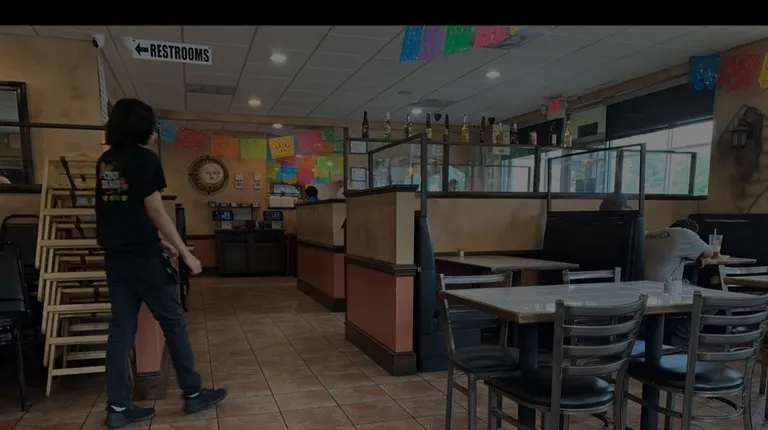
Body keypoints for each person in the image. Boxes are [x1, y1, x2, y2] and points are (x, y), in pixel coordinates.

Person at [96, 98, 226, 429]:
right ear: (141, 127)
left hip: (116, 259)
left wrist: (158, 239)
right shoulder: (145, 159)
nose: (154, 130)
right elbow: (155, 211)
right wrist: (185, 252)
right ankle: (193, 394)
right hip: (144, 259)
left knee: (120, 331)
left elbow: (122, 210)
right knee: (173, 323)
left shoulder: (107, 161)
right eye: (152, 124)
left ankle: (117, 408)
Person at [644, 218, 713, 349]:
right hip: (665, 289)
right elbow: (710, 252)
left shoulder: (652, 233)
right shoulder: (685, 234)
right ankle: (679, 340)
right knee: (711, 301)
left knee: (688, 284)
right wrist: (699, 255)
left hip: (642, 290)